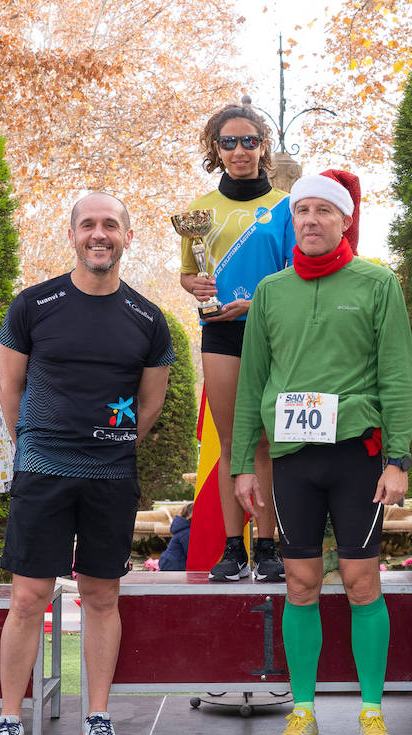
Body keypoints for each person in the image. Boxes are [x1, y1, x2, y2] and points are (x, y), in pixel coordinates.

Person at [0, 192, 174, 735]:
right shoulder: (34, 305)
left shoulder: (147, 318)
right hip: (41, 471)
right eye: (88, 224)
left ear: (127, 237)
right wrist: (38, 444)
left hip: (110, 477)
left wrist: (107, 447)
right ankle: (8, 723)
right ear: (72, 235)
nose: (99, 234)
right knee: (27, 597)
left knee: (102, 596)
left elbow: (150, 402)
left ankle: (97, 721)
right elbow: (8, 391)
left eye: (110, 225)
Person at [231, 172, 412, 735]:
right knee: (300, 583)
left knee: (363, 584)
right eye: (301, 211)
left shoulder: (377, 283)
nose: (310, 220)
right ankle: (303, 715)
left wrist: (399, 459)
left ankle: (372, 716)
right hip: (291, 461)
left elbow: (395, 375)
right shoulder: (271, 292)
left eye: (322, 211)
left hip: (357, 458)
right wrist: (241, 464)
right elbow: (251, 382)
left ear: (345, 220)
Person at [178, 103, 294, 582]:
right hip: (219, 331)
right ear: (216, 148)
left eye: (250, 141)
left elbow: (296, 274)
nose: (240, 150)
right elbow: (188, 273)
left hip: (271, 332)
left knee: (265, 442)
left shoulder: (287, 207)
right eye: (229, 142)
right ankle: (232, 548)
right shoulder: (200, 210)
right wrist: (195, 287)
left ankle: (267, 547)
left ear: (263, 146)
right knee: (230, 442)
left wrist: (257, 304)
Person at [158, 502, 193, 572]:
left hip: (169, 562)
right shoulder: (187, 532)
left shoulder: (183, 529)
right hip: (174, 565)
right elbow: (191, 553)